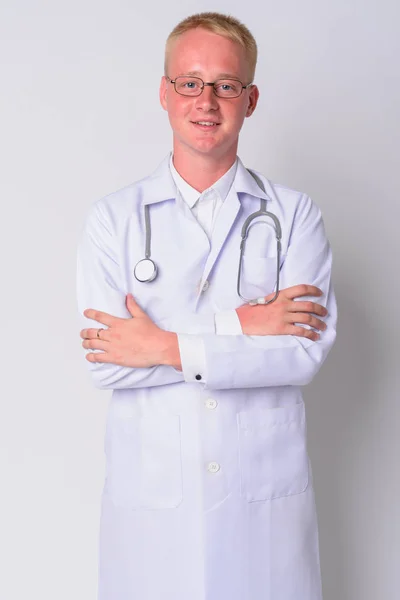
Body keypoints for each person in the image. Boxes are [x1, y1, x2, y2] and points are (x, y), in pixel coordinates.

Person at [77, 11, 337, 600]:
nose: (207, 102)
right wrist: (238, 326)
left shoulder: (294, 216)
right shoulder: (113, 220)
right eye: (190, 83)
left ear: (251, 99)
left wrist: (162, 346)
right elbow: (108, 361)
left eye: (226, 85)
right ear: (165, 94)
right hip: (153, 506)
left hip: (261, 511)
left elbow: (299, 354)